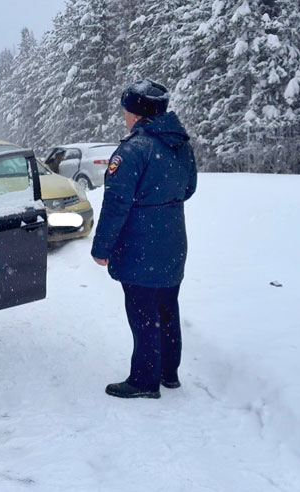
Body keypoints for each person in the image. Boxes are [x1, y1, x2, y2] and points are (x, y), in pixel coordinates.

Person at [91, 78, 197, 399]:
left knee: (142, 312)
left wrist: (102, 247)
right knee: (167, 307)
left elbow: (116, 203)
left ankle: (144, 380)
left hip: (141, 245)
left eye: (126, 110)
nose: (124, 115)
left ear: (136, 114)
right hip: (173, 240)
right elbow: (189, 188)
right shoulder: (179, 144)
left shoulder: (133, 149)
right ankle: (168, 372)